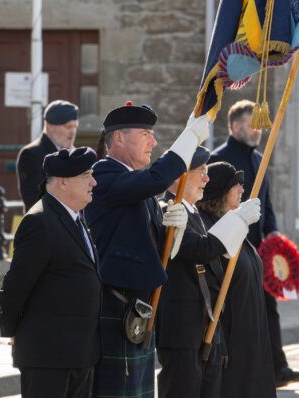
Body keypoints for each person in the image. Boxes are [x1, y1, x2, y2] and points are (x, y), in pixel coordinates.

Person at [84, 101, 209, 398]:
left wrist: (172, 231)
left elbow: (148, 239)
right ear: (118, 138)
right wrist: (188, 139)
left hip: (138, 306)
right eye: (144, 134)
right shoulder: (104, 174)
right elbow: (155, 180)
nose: (153, 141)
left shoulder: (134, 182)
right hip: (116, 304)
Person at [209, 99, 299, 387]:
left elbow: (267, 203)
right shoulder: (220, 159)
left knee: (268, 308)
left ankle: (278, 367)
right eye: (254, 125)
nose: (259, 131)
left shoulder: (258, 159)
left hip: (259, 250)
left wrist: (273, 231)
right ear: (236, 126)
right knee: (236, 312)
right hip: (230, 249)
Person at [157, 147, 261, 398]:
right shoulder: (169, 209)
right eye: (200, 172)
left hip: (207, 323)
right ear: (179, 177)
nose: (206, 178)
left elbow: (214, 258)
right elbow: (200, 249)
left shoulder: (195, 213)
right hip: (182, 326)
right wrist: (238, 220)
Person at [0, 147, 101, 398]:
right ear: (63, 183)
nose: (94, 181)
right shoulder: (39, 221)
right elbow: (15, 285)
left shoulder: (76, 217)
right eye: (87, 174)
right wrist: (12, 330)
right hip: (48, 356)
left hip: (79, 353)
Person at [197, 161, 277, 398]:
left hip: (253, 328)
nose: (243, 189)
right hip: (232, 333)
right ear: (221, 190)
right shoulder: (213, 228)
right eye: (236, 185)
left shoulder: (235, 224)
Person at [17, 100, 79, 211]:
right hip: (44, 225)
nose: (73, 132)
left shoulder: (76, 154)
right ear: (51, 126)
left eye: (75, 127)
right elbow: (33, 199)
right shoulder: (31, 154)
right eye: (68, 127)